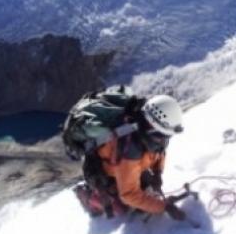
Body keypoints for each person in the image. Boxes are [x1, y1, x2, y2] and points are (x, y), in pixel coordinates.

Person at [75, 93, 186, 221]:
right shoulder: (130, 147)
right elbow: (129, 195)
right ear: (152, 127)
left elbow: (158, 152)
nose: (164, 140)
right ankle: (87, 196)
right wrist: (164, 207)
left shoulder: (145, 130)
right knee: (121, 207)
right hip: (102, 173)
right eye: (162, 136)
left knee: (146, 192)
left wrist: (157, 172)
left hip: (123, 167)